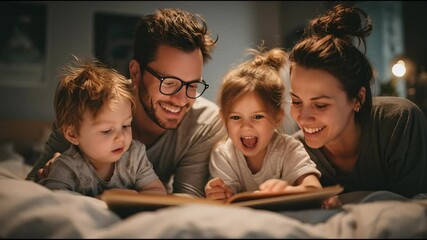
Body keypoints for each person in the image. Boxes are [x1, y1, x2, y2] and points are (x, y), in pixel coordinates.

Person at [27, 8, 226, 198]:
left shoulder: (206, 123)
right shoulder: (87, 104)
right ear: (136, 72)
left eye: (192, 86)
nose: (182, 100)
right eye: (170, 83)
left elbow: (185, 199)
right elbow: (33, 189)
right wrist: (49, 176)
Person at [288, 3, 427, 199]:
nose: (303, 118)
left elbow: (415, 208)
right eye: (296, 102)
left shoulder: (398, 122)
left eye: (320, 105)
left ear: (357, 98)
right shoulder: (295, 150)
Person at [205, 47, 322, 201]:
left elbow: (314, 188)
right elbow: (227, 200)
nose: (246, 127)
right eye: (235, 118)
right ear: (223, 118)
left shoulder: (288, 149)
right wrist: (218, 193)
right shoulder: (223, 155)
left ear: (278, 118)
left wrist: (288, 190)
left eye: (257, 116)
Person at [37, 58, 166, 198]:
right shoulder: (67, 167)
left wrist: (131, 197)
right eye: (106, 130)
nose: (121, 137)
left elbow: (157, 192)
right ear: (73, 134)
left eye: (126, 125)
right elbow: (56, 202)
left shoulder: (135, 156)